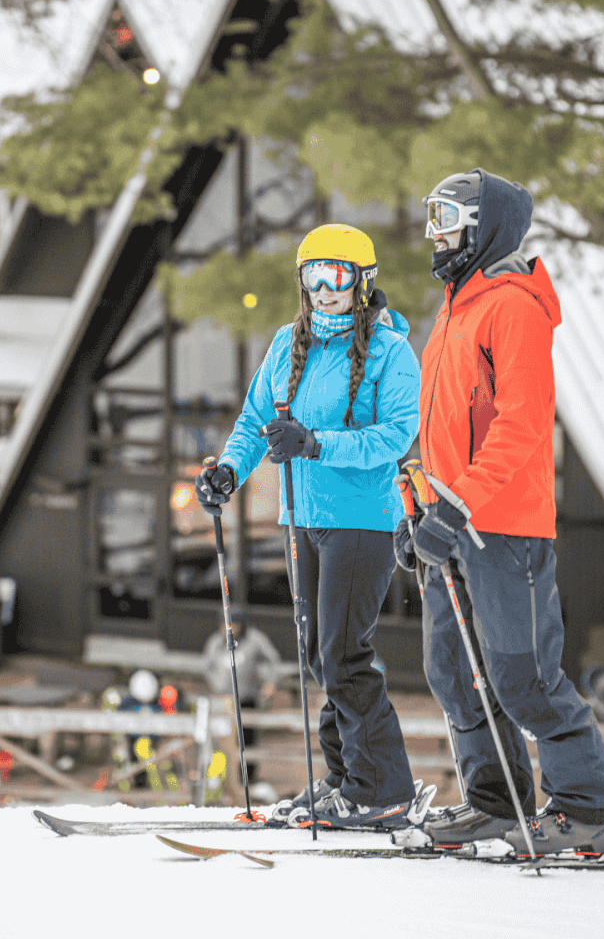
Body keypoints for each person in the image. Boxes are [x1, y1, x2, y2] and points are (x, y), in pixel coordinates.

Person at [398, 168, 604, 853]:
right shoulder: (457, 304)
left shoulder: (512, 306)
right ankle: (496, 802)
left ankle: (585, 809)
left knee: (520, 676)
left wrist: (456, 508)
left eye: (450, 220)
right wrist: (424, 512)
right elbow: (446, 426)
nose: (438, 234)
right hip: (454, 521)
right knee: (455, 674)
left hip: (502, 527)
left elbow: (521, 425)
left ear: (484, 225)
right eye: (434, 219)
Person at [194, 223, 422, 830]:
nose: (324, 290)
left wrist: (316, 443)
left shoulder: (389, 352)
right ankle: (347, 780)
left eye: (338, 277)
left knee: (344, 652)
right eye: (313, 277)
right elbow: (252, 421)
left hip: (362, 520)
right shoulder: (286, 343)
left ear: (363, 283)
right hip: (301, 518)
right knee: (322, 657)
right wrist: (228, 474)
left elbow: (397, 436)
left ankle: (382, 788)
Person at [201, 609, 281, 788]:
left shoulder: (254, 640)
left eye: (233, 624)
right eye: (224, 624)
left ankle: (248, 778)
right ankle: (223, 777)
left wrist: (270, 683)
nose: (228, 628)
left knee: (247, 739)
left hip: (247, 698)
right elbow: (207, 667)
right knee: (221, 739)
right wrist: (216, 686)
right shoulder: (215, 642)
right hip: (223, 700)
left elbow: (273, 661)